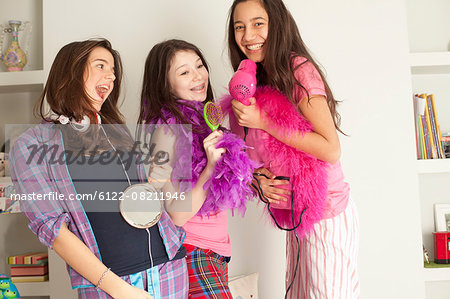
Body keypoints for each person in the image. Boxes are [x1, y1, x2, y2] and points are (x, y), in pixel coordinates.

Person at [9, 39, 188, 299]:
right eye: (101, 66)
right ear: (70, 71)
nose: (111, 76)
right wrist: (121, 290)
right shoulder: (30, 145)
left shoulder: (118, 133)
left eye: (113, 71)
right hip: (111, 287)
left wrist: (156, 183)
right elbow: (55, 231)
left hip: (170, 271)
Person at [226, 0, 360, 298]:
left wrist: (264, 120)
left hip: (326, 214)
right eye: (239, 27)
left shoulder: (298, 70)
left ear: (277, 24)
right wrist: (256, 179)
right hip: (296, 216)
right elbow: (251, 156)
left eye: (258, 23)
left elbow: (330, 148)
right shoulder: (255, 80)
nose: (248, 36)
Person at [138, 39, 255, 299]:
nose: (198, 76)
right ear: (165, 85)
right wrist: (211, 167)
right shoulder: (166, 130)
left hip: (217, 252)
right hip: (192, 251)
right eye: (184, 72)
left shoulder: (205, 122)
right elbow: (177, 217)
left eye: (199, 65)